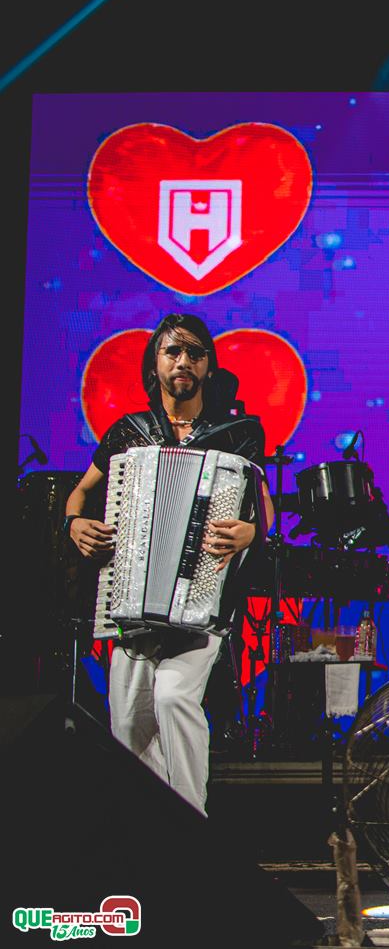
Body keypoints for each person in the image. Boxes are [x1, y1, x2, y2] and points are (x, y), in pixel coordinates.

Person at [63, 314, 271, 814]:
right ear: (154, 363)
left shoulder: (238, 433)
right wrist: (74, 523)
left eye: (195, 353)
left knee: (174, 698)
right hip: (131, 602)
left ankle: (191, 823)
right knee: (127, 724)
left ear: (208, 367)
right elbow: (80, 492)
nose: (183, 362)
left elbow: (263, 504)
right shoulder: (128, 432)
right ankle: (153, 824)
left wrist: (252, 532)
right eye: (173, 352)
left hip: (202, 602)